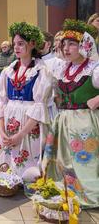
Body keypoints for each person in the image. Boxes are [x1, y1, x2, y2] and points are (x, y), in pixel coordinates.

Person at [43, 19, 99, 208]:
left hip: (86, 123)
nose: (66, 48)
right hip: (64, 122)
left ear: (84, 45)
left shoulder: (95, 69)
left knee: (85, 163)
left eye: (72, 44)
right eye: (64, 44)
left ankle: (88, 194)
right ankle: (67, 189)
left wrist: (97, 99)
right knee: (63, 162)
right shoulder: (62, 68)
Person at [0, 22, 53, 180]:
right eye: (14, 44)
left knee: (29, 169)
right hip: (11, 119)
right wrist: (3, 131)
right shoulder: (8, 71)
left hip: (28, 122)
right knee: (5, 162)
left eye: (21, 44)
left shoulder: (41, 70)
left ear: (32, 44)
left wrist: (21, 134)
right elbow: (3, 104)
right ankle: (10, 177)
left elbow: (40, 106)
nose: (16, 48)